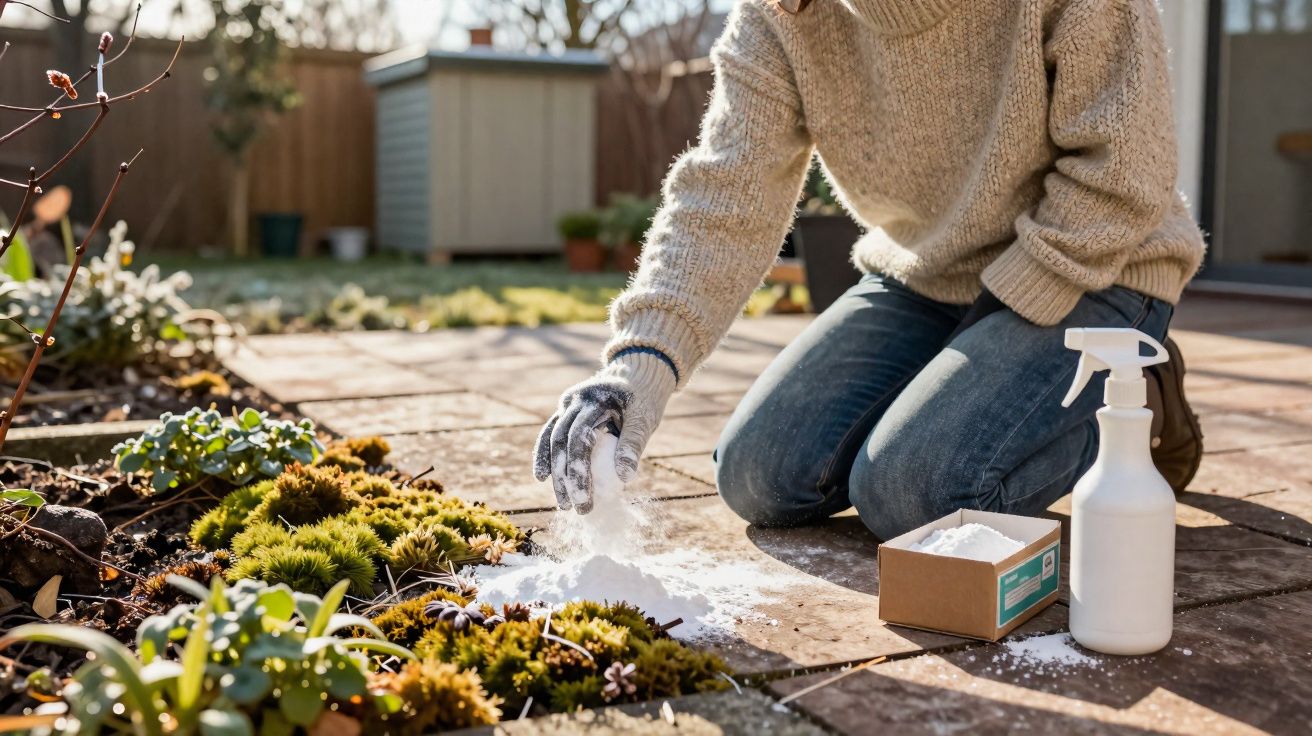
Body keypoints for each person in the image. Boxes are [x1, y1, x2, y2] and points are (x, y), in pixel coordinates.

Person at [533, 0, 1206, 540]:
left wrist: (994, 320)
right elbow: (724, 195)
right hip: (925, 274)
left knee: (916, 493)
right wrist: (637, 368)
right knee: (759, 476)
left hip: (1097, 265)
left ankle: (1136, 405)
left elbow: (1122, 174)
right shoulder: (780, 14)